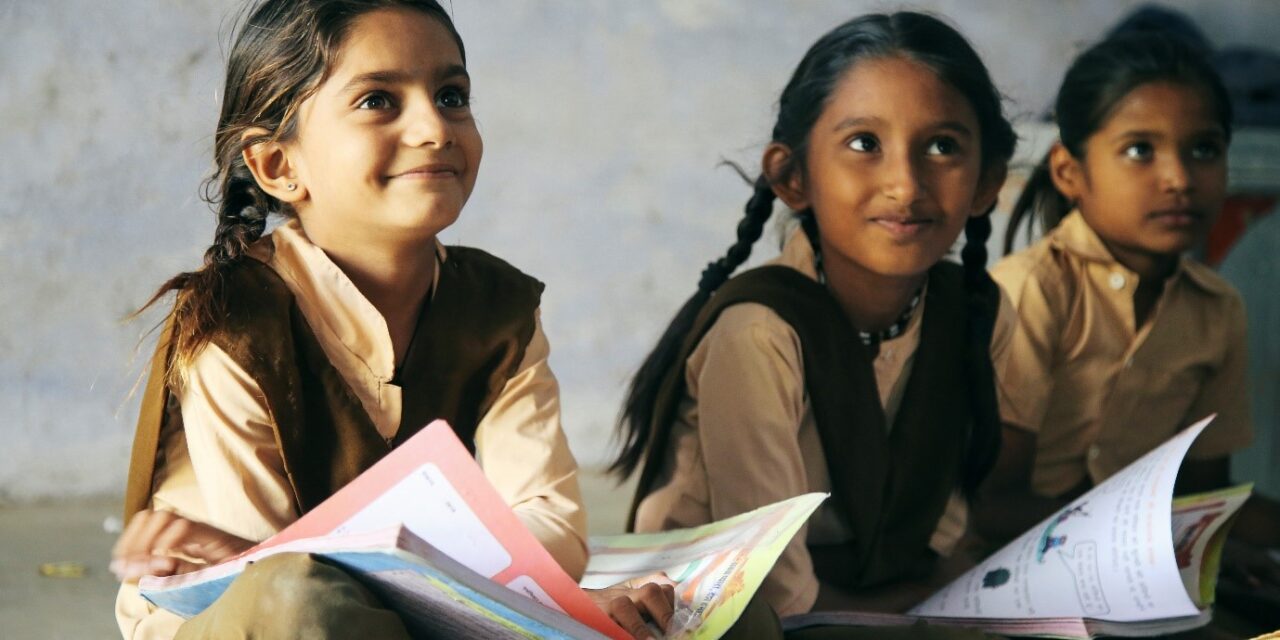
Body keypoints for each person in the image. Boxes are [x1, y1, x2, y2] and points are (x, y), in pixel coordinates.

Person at [109, 1, 673, 637]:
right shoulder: (235, 325)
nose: (436, 127)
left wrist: (510, 590)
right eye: (378, 100)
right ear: (279, 166)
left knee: (682, 611)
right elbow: (266, 572)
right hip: (257, 620)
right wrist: (495, 583)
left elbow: (551, 527)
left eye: (452, 94)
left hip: (428, 611)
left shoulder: (499, 306)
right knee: (305, 599)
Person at [613, 11, 1016, 619]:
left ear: (986, 183)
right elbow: (779, 599)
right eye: (864, 144)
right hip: (712, 611)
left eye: (941, 146)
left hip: (879, 592)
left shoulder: (973, 313)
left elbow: (945, 533)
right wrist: (926, 605)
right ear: (792, 176)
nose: (905, 185)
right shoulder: (758, 334)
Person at [986, 33, 1280, 614]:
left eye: (1203, 149)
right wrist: (1163, 544)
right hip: (1009, 572)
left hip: (1135, 567)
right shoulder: (1032, 291)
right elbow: (991, 505)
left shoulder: (1216, 308)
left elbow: (1204, 492)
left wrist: (1211, 541)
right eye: (1141, 150)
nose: (1178, 177)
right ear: (1070, 173)